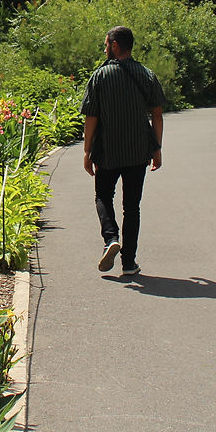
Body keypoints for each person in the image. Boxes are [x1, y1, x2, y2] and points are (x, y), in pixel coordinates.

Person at [81, 25, 164, 276]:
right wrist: (157, 149)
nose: (105, 49)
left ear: (115, 45)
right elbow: (157, 115)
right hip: (139, 152)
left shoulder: (100, 76)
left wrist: (87, 151)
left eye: (106, 45)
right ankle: (129, 263)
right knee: (132, 207)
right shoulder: (147, 75)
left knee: (103, 196)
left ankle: (110, 238)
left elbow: (91, 116)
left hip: (107, 151)